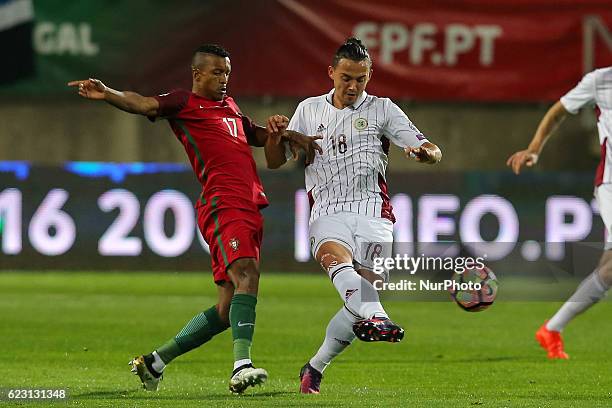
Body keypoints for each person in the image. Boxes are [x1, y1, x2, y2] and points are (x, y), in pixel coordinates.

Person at [68, 44, 318, 393]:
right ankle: (241, 365)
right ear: (197, 73)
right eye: (216, 72)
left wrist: (283, 133)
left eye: (227, 72)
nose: (224, 79)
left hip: (248, 205)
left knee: (226, 310)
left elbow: (254, 136)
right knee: (247, 272)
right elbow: (142, 103)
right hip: (222, 203)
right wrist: (107, 92)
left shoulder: (228, 106)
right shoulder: (184, 103)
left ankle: (154, 362)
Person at [266, 38, 442, 394]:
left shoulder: (383, 109)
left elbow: (431, 149)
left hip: (374, 214)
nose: (353, 86)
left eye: (361, 79)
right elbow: (274, 161)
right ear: (331, 72)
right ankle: (381, 317)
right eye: (346, 77)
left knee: (358, 300)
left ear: (369, 75)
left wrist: (425, 154)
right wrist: (275, 136)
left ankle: (315, 367)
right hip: (327, 212)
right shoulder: (309, 109)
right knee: (341, 266)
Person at [507, 66, 612, 359]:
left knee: (609, 268)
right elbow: (558, 111)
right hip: (611, 184)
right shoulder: (601, 81)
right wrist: (534, 148)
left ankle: (552, 329)